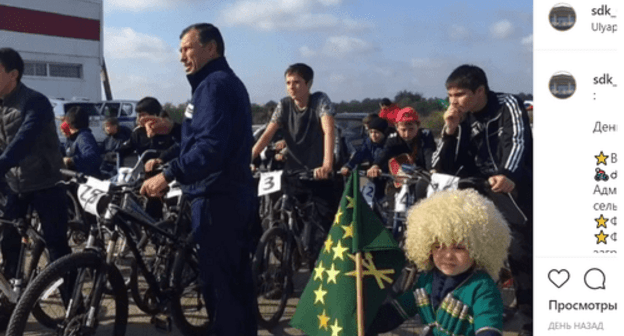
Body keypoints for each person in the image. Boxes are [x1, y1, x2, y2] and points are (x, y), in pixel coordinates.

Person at [140, 23, 257, 336]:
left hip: (219, 199)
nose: (181, 57)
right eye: (180, 50)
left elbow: (210, 149)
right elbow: (207, 136)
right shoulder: (213, 84)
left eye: (187, 48)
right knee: (235, 289)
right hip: (226, 195)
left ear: (212, 49)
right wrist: (173, 130)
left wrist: (168, 174)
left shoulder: (215, 86)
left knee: (221, 291)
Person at [431, 64, 533, 336]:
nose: (454, 101)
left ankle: (529, 321)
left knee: (519, 252)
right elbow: (439, 166)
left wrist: (507, 174)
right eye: (450, 95)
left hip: (510, 188)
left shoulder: (507, 104)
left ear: (480, 91)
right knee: (467, 250)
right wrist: (450, 129)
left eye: (460, 94)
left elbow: (517, 141)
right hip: (474, 190)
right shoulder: (459, 118)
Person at [366, 189, 511, 336]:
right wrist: (361, 322)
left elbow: (488, 328)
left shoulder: (482, 288)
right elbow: (395, 313)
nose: (448, 255)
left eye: (459, 248)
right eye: (439, 246)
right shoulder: (427, 280)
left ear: (478, 250)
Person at [0, 48, 71, 299]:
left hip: (46, 183)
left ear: (13, 74)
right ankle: (10, 303)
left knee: (56, 247)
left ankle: (74, 305)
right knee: (8, 243)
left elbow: (23, 140)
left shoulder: (35, 102)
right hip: (14, 185)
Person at [251, 63, 341, 256]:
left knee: (321, 227)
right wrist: (249, 158)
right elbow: (267, 134)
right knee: (289, 216)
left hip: (317, 174)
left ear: (308, 84)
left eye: (297, 82)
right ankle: (289, 258)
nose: (291, 87)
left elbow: (328, 130)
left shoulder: (319, 101)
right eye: (288, 83)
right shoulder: (284, 105)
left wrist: (326, 164)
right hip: (294, 171)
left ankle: (320, 262)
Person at [367, 106, 436, 177]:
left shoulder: (425, 135)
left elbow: (429, 153)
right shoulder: (393, 138)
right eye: (403, 130)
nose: (407, 134)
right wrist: (376, 165)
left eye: (411, 129)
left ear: (418, 126)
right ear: (397, 127)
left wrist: (431, 170)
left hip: (423, 175)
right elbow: (384, 153)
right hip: (401, 177)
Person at [63, 106, 103, 177]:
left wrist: (71, 160)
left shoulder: (83, 136)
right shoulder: (73, 137)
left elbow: (93, 156)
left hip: (85, 181)